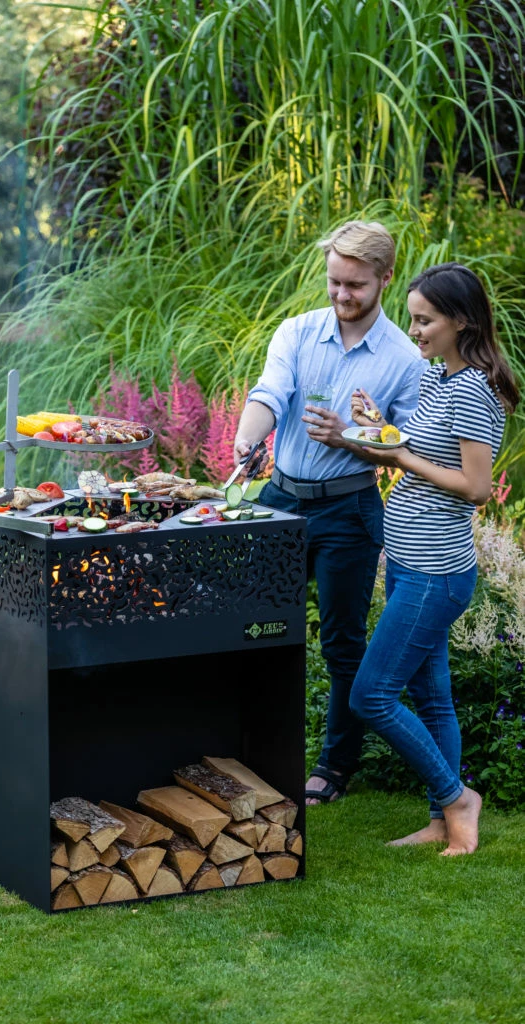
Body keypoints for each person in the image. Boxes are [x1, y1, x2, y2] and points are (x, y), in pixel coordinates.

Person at [233, 220, 425, 804]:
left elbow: (406, 445)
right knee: (254, 628)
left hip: (350, 510)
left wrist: (351, 438)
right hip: (280, 501)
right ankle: (252, 746)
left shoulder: (404, 358)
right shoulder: (297, 331)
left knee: (343, 644)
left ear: (385, 280)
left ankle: (336, 764)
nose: (342, 296)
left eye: (356, 286)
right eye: (334, 282)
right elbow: (270, 394)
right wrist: (247, 441)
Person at [348, 262, 519, 855]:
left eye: (425, 320)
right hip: (407, 563)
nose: (414, 330)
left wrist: (399, 460)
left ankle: (457, 797)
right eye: (414, 318)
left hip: (435, 573)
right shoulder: (439, 379)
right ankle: (441, 819)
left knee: (370, 695)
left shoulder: (473, 387)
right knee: (432, 698)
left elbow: (474, 485)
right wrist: (380, 430)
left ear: (461, 321)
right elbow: (426, 450)